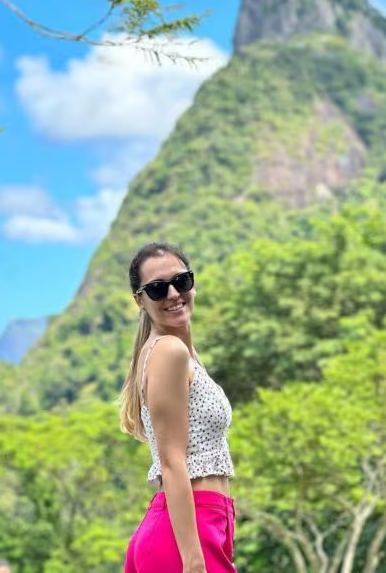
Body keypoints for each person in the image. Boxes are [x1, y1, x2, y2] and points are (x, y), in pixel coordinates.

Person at [121, 242, 235, 573]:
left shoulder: (175, 351)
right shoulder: (168, 351)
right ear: (140, 300)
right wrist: (193, 560)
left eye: (181, 281)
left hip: (204, 522)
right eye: (157, 289)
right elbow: (172, 462)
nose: (172, 294)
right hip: (188, 532)